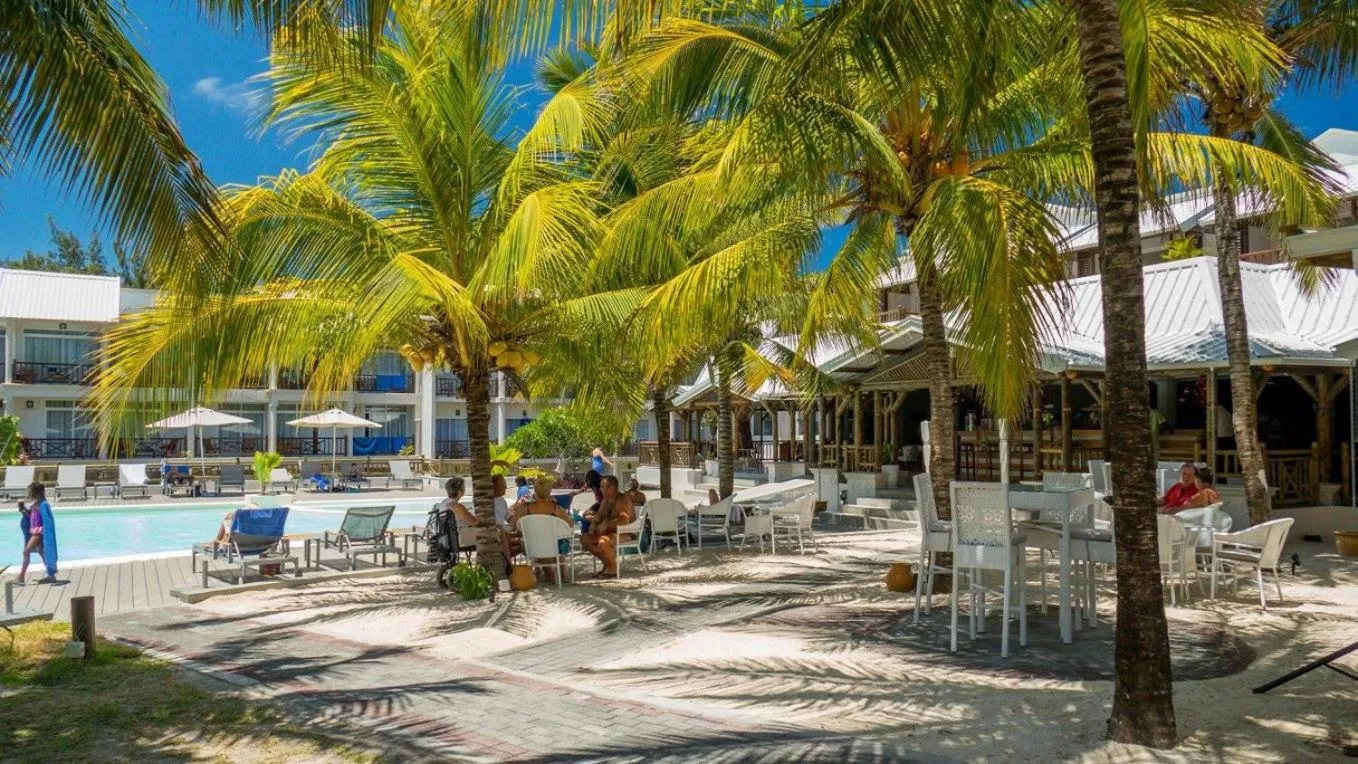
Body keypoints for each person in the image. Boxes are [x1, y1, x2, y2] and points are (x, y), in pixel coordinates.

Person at [518, 476, 573, 583]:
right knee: (558, 540)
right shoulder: (555, 508)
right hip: (555, 547)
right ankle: (563, 574)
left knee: (536, 542)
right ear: (549, 491)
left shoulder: (527, 508)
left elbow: (517, 523)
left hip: (533, 547)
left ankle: (550, 574)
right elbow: (570, 523)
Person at [581, 475, 634, 578]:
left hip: (626, 532)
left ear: (611, 488)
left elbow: (624, 519)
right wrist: (594, 523)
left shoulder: (623, 499)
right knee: (585, 538)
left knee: (603, 541)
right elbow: (599, 516)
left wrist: (607, 524)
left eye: (603, 486)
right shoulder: (606, 500)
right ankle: (607, 564)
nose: (600, 489)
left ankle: (612, 569)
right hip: (610, 533)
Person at [19, 482, 57, 583]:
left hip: (38, 533)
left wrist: (44, 534)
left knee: (26, 551)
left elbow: (46, 521)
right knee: (42, 552)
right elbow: (33, 517)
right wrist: (24, 511)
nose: (28, 495)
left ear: (35, 493)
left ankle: (21, 578)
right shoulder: (37, 503)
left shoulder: (43, 505)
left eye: (29, 492)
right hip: (36, 532)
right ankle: (51, 576)